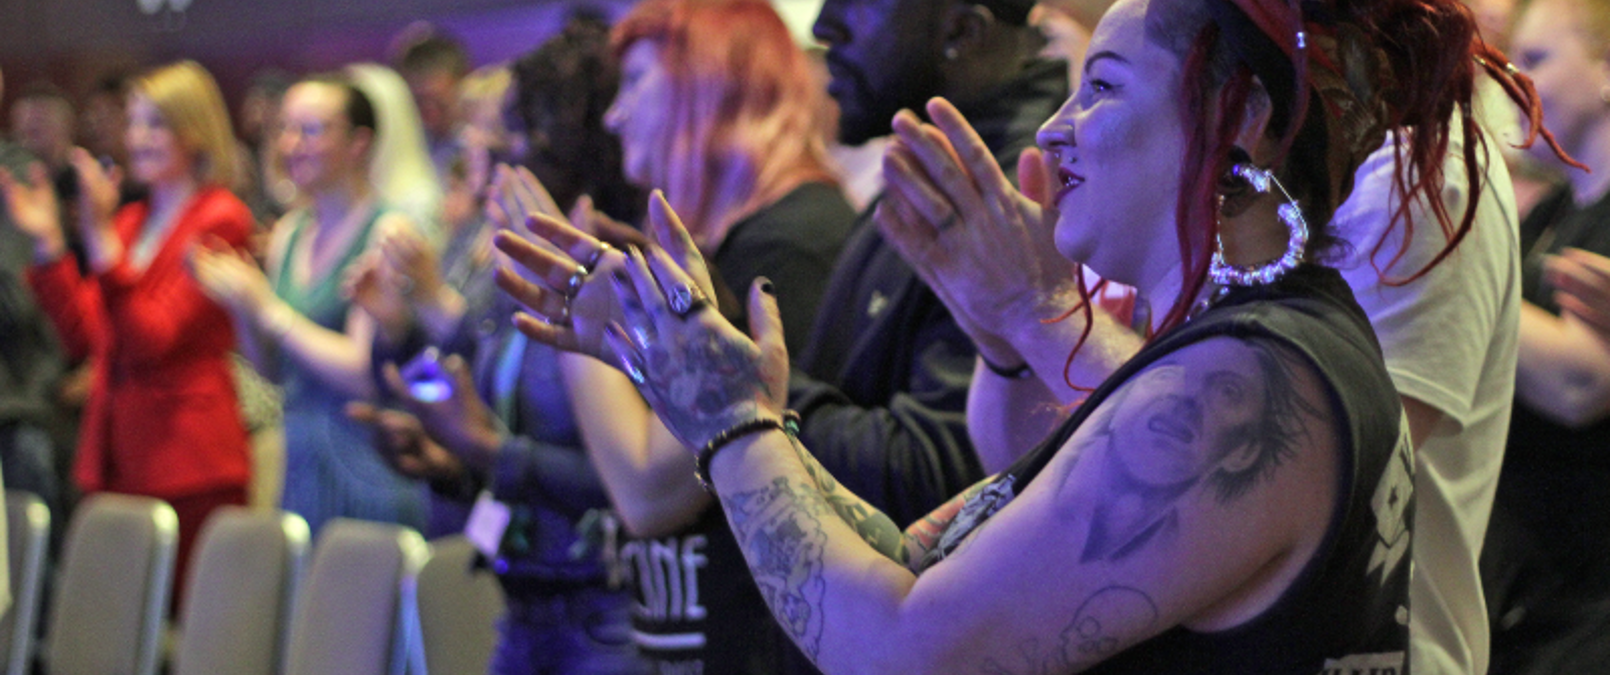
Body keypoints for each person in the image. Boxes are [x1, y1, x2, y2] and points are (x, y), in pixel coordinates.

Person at [524, 0, 1550, 670]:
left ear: (1235, 113)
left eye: (1099, 88)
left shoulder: (1251, 385)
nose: (1054, 131)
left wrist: (732, 428)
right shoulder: (1231, 349)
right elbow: (912, 559)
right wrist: (723, 399)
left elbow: (907, 653)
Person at [494, 2, 855, 671]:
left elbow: (648, 490)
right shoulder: (741, 239)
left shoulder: (788, 242)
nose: (613, 114)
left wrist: (577, 303)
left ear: (709, 85)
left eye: (634, 83)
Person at [6, 60, 254, 598]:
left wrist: (98, 240)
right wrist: (50, 245)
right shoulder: (130, 222)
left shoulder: (221, 217)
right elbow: (87, 337)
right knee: (117, 630)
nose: (138, 138)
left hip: (188, 463)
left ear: (195, 132)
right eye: (135, 123)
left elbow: (152, 339)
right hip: (117, 456)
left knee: (190, 634)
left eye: (155, 125)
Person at [190, 74, 429, 537]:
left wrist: (268, 309)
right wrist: (242, 304)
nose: (292, 144)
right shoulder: (290, 232)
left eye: (313, 130)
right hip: (300, 456)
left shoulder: (386, 231)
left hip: (364, 459)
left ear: (359, 143)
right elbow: (276, 372)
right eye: (285, 129)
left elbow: (362, 370)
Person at [1481, 0, 1610, 670]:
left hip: (1588, 600)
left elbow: (1580, 381)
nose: (1514, 82)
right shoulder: (1556, 209)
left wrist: (1456, 285)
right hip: (1527, 586)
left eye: (1536, 60)